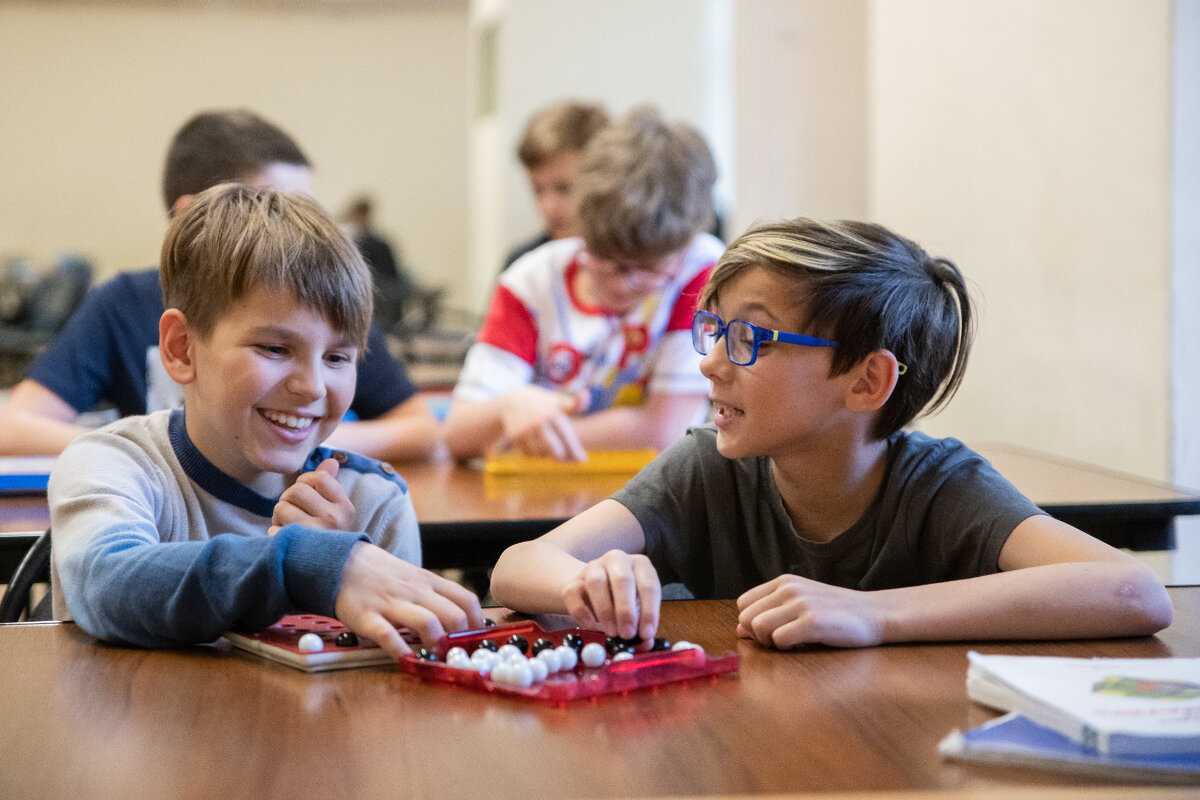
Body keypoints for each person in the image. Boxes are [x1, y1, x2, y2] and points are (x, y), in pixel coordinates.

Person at [489, 217, 1173, 648]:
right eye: (716, 330)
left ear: (867, 383)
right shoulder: (708, 469)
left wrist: (874, 616)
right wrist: (594, 580)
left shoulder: (939, 486)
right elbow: (518, 567)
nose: (711, 362)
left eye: (750, 337)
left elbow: (1133, 592)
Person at [49, 183, 483, 658]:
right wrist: (309, 564)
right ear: (181, 348)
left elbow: (391, 681)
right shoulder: (115, 463)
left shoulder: (373, 502)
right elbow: (106, 581)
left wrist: (337, 579)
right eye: (275, 348)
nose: (314, 386)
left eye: (337, 357)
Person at [0, 109, 439, 462]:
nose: (299, 231)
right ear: (191, 216)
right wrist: (161, 457)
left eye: (305, 211)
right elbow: (16, 426)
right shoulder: (123, 303)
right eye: (270, 208)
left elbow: (420, 429)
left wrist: (294, 437)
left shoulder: (321, 306)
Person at [445, 106, 723, 462]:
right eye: (605, 260)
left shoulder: (703, 270)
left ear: (687, 244)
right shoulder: (529, 282)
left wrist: (516, 438)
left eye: (650, 269)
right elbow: (456, 433)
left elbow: (664, 430)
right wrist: (511, 405)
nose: (624, 284)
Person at [502, 100, 610, 272]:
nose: (549, 208)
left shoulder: (639, 268)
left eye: (564, 188)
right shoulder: (522, 264)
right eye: (537, 190)